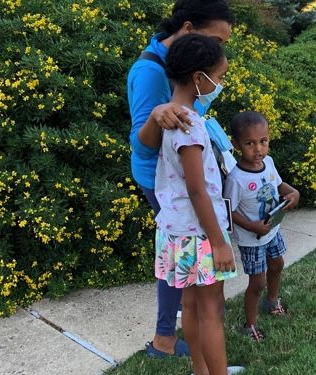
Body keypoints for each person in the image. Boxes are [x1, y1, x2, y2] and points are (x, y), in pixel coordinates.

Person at [126, 0, 235, 358]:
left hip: (183, 179)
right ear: (189, 29)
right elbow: (143, 146)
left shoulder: (187, 72)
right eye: (216, 41)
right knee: (191, 278)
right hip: (169, 184)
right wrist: (157, 115)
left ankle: (175, 341)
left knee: (184, 274)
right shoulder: (151, 72)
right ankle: (164, 338)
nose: (218, 50)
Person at [155, 33, 243, 375]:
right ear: (198, 78)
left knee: (191, 305)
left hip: (179, 230)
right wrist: (219, 242)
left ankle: (200, 370)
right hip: (201, 234)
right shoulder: (188, 125)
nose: (219, 84)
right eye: (218, 78)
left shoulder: (173, 117)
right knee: (211, 311)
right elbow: (197, 189)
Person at [223, 111, 300, 342]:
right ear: (236, 144)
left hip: (272, 230)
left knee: (277, 264)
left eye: (263, 141)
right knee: (257, 283)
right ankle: (250, 324)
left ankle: (272, 301)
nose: (258, 149)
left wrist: (292, 192)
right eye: (250, 143)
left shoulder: (268, 163)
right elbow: (228, 211)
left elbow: (278, 185)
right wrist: (252, 226)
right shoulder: (236, 178)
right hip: (252, 239)